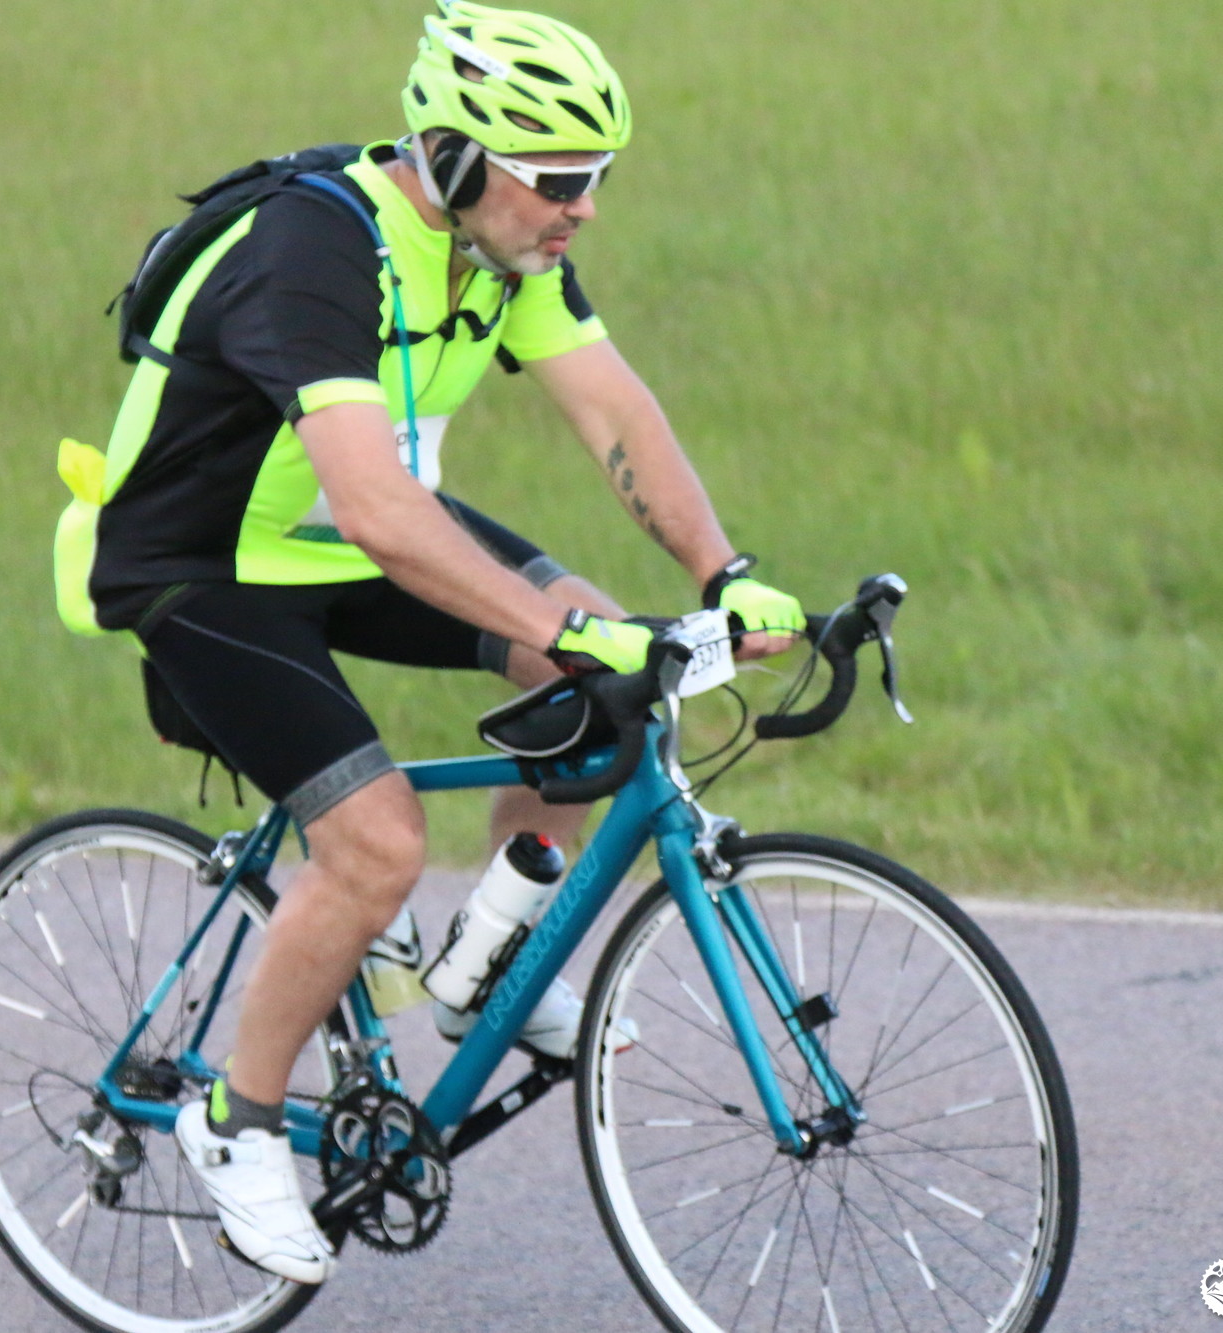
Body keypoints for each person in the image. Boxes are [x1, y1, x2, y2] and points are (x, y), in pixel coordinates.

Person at [85, 1, 805, 1285]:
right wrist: (572, 629)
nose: (583, 207)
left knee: (598, 681)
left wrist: (723, 573)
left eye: (597, 176)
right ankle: (234, 1117)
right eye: (559, 179)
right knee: (375, 841)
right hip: (204, 565)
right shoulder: (315, 251)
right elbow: (376, 507)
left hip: (343, 536)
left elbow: (614, 410)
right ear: (459, 159)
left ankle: (489, 964)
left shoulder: (503, 251)